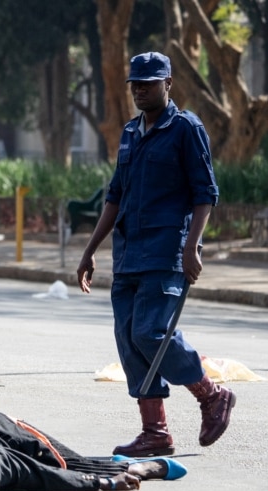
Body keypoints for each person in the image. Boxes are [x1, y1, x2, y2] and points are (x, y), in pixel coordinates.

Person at [76, 51, 236, 458]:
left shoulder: (186, 128)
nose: (141, 90)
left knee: (151, 332)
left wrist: (192, 245)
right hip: (128, 252)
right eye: (136, 84)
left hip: (166, 252)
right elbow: (115, 196)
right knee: (129, 340)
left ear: (168, 84)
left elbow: (205, 194)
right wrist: (90, 250)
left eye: (150, 82)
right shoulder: (130, 133)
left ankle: (211, 394)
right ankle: (155, 432)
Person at [0, 409, 186, 491]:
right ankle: (118, 464)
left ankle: (136, 469)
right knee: (73, 466)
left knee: (63, 463)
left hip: (2, 428)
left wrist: (104, 484)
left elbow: (41, 475)